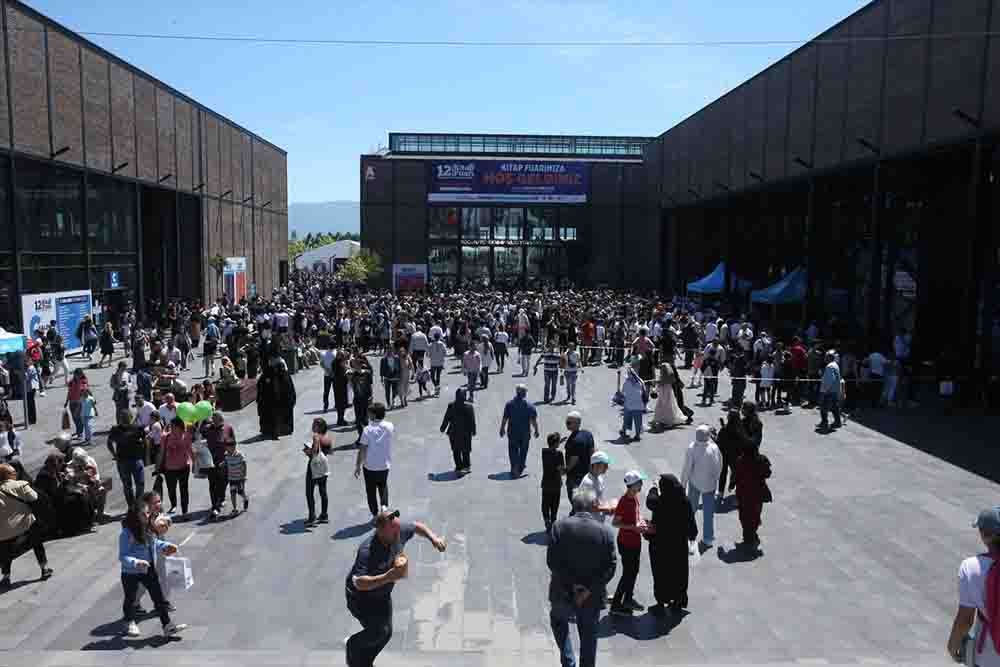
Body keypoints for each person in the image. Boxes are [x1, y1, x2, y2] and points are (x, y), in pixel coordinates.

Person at [344, 509, 447, 667]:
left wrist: (434, 538)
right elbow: (359, 582)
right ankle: (352, 645)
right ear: (381, 532)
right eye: (394, 532)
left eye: (399, 529)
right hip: (361, 598)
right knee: (378, 631)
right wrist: (389, 577)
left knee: (386, 633)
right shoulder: (367, 550)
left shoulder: (397, 530)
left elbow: (417, 526)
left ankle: (366, 661)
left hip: (382, 594)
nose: (399, 534)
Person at [546, 486, 617, 667]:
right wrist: (587, 590)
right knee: (589, 636)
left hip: (562, 592)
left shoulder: (558, 528)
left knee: (558, 622)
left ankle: (568, 661)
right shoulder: (605, 533)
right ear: (594, 506)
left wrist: (573, 586)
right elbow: (610, 567)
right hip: (591, 598)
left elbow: (552, 562)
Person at [118, 500, 186, 638]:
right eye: (143, 514)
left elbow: (154, 542)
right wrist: (136, 562)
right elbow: (123, 555)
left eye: (148, 513)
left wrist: (166, 546)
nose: (147, 517)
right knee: (130, 598)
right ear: (135, 515)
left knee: (158, 598)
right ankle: (129, 621)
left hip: (148, 569)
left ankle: (167, 626)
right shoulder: (126, 533)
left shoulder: (147, 528)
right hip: (130, 572)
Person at [947, 506, 1000, 666]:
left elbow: (965, 620)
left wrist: (952, 646)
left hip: (990, 656)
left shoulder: (971, 568)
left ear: (984, 535)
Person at [645, 472, 698, 615]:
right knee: (679, 573)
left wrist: (653, 488)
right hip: (678, 545)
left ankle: (661, 601)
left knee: (661, 573)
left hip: (659, 545)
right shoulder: (684, 501)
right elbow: (691, 524)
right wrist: (692, 536)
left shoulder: (660, 501)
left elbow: (650, 501)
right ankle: (678, 601)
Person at [0, 463, 53, 590]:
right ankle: (44, 568)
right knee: (37, 544)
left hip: (5, 529)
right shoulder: (21, 485)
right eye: (13, 473)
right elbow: (34, 498)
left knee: (6, 552)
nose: (15, 474)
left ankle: (6, 577)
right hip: (26, 523)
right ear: (8, 475)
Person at [609, 470, 648, 617]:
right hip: (626, 543)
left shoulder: (635, 498)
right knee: (627, 574)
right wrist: (634, 527)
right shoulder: (624, 502)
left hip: (635, 542)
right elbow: (615, 523)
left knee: (633, 571)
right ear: (632, 485)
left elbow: (637, 515)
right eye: (639, 483)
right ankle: (616, 604)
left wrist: (642, 523)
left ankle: (628, 599)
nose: (642, 484)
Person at [681, 425, 723, 549]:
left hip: (695, 483)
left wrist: (683, 484)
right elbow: (719, 464)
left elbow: (687, 468)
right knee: (708, 513)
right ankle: (708, 538)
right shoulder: (714, 448)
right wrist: (715, 479)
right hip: (710, 485)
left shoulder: (692, 448)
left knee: (691, 510)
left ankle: (687, 533)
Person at [732, 435, 772, 551]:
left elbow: (735, 475)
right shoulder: (762, 459)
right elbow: (768, 473)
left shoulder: (740, 460)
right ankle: (751, 534)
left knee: (744, 515)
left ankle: (748, 535)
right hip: (757, 493)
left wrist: (732, 484)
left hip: (743, 493)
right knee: (755, 514)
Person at [355, 402, 392, 519]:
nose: (368, 415)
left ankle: (375, 514)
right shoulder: (389, 426)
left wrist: (357, 466)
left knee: (370, 491)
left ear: (374, 415)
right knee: (383, 485)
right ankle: (384, 506)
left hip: (369, 466)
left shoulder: (367, 430)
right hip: (384, 465)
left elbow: (362, 450)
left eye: (369, 413)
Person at [107, 409, 147, 509]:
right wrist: (114, 454)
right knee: (127, 485)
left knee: (140, 484)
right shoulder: (115, 429)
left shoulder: (137, 428)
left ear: (130, 418)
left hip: (136, 460)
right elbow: (109, 442)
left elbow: (146, 441)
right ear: (120, 419)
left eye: (127, 417)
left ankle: (138, 503)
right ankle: (131, 505)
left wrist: (144, 454)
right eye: (123, 418)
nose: (125, 420)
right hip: (122, 461)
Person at [500, 384, 539, 478]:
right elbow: (533, 421)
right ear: (524, 393)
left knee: (513, 450)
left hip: (512, 432)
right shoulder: (530, 406)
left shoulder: (509, 404)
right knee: (524, 450)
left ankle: (514, 467)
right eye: (525, 392)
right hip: (525, 433)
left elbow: (505, 418)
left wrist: (502, 428)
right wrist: (536, 430)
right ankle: (520, 466)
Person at [201, 411, 235, 519]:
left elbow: (233, 443)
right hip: (210, 461)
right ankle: (215, 506)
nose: (214, 422)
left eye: (216, 420)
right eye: (213, 419)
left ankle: (221, 498)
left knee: (223, 482)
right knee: (212, 484)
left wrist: (231, 455)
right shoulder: (207, 428)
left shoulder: (227, 428)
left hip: (223, 460)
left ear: (221, 420)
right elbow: (197, 436)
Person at [157, 418, 192, 519]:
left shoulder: (186, 436)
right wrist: (158, 467)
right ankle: (173, 505)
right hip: (169, 468)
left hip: (184, 467)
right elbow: (161, 452)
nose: (171, 428)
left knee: (184, 490)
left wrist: (196, 465)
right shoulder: (165, 437)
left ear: (180, 427)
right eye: (171, 426)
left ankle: (185, 511)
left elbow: (190, 450)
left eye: (173, 426)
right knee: (171, 489)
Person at [563, 411, 595, 509]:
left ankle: (577, 512)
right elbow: (592, 452)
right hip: (586, 472)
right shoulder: (587, 434)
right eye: (566, 422)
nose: (566, 424)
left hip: (575, 474)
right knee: (585, 495)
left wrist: (567, 469)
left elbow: (574, 459)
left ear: (577, 423)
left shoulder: (575, 441)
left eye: (569, 423)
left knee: (573, 496)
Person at [440, 388, 475, 476]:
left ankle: (459, 466)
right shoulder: (469, 406)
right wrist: (473, 431)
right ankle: (466, 466)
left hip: (453, 432)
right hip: (465, 433)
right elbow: (472, 421)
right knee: (465, 450)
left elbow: (446, 418)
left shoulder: (451, 405)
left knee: (456, 450)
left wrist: (443, 428)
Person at [304, 418, 332, 526]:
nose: (312, 426)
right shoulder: (327, 437)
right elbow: (329, 451)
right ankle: (324, 515)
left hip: (313, 468)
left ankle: (312, 517)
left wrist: (307, 451)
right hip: (323, 468)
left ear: (319, 427)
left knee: (309, 492)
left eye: (314, 424)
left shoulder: (316, 436)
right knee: (323, 491)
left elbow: (314, 452)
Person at [541, 432, 565, 533]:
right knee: (554, 504)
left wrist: (558, 442)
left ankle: (547, 520)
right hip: (556, 483)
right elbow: (561, 470)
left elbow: (551, 448)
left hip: (546, 482)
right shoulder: (559, 454)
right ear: (556, 444)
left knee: (545, 504)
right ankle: (553, 519)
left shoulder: (544, 452)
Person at [651, 363, 684, 430]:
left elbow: (661, 384)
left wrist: (655, 385)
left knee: (667, 407)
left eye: (662, 369)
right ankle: (660, 420)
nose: (660, 370)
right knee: (662, 407)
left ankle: (669, 422)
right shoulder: (666, 377)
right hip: (664, 395)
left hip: (666, 395)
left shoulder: (665, 378)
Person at [818, 350, 843, 431]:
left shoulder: (829, 366)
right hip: (835, 390)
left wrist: (824, 390)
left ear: (829, 357)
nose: (824, 358)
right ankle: (838, 422)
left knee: (823, 407)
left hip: (829, 391)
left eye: (826, 356)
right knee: (834, 407)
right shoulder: (835, 365)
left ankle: (824, 422)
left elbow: (829, 380)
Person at [224, 439, 249, 516]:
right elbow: (226, 462)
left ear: (234, 446)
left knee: (240, 491)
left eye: (231, 447)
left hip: (239, 478)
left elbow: (244, 464)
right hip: (231, 478)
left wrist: (244, 475)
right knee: (232, 493)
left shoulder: (239, 455)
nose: (230, 449)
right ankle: (235, 509)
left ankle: (245, 498)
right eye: (228, 447)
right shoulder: (226, 455)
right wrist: (223, 464)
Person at [620, 366, 645, 442]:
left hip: (629, 405)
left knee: (627, 420)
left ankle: (626, 432)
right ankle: (637, 435)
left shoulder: (626, 383)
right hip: (639, 405)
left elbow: (623, 393)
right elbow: (644, 392)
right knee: (638, 422)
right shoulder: (641, 382)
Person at [321, 344, 337, 413]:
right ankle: (337, 404)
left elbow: (321, 363)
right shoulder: (336, 353)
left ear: (328, 346)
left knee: (326, 391)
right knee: (336, 390)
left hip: (327, 374)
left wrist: (327, 370)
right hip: (335, 374)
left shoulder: (323, 353)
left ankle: (325, 406)